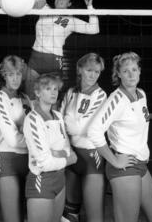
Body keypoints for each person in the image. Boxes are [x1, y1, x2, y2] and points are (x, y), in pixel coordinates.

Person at [87, 52, 152, 222]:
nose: (131, 74)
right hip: (124, 167)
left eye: (134, 69)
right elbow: (94, 131)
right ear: (118, 74)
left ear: (140, 71)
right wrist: (115, 161)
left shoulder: (141, 94)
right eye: (125, 71)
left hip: (140, 163)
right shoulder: (116, 100)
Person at [25, 0, 100, 98]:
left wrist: (90, 7)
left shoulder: (70, 21)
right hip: (35, 58)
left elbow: (94, 29)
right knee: (30, 96)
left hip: (53, 61)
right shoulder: (45, 9)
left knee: (51, 99)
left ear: (69, 3)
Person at [23, 73, 77, 222]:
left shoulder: (58, 116)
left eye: (55, 88)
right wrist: (68, 159)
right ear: (38, 93)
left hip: (60, 180)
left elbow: (68, 149)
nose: (53, 92)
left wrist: (57, 153)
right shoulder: (33, 119)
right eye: (48, 88)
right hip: (42, 182)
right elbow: (45, 163)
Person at [60, 53, 107, 222]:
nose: (93, 75)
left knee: (94, 217)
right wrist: (69, 124)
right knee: (69, 215)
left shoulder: (100, 95)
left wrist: (68, 120)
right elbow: (60, 123)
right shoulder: (71, 92)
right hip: (72, 156)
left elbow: (81, 128)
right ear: (80, 70)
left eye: (97, 72)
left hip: (91, 158)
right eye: (89, 70)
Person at [0, 55, 32, 222]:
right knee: (12, 218)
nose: (15, 78)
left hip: (29, 160)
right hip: (8, 158)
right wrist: (34, 142)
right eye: (11, 74)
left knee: (30, 215)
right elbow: (13, 139)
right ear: (4, 75)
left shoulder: (25, 98)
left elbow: (33, 128)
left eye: (18, 73)